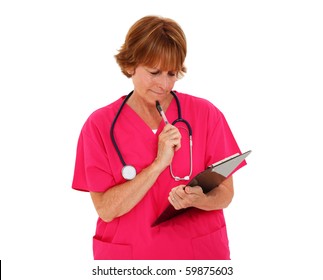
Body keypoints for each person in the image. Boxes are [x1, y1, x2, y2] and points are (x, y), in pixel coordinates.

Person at [71, 15, 246, 260]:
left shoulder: (206, 114)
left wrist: (202, 200)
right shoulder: (99, 126)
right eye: (154, 72)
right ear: (130, 65)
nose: (164, 85)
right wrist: (158, 165)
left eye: (171, 73)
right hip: (131, 259)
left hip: (198, 257)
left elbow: (225, 194)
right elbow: (106, 209)